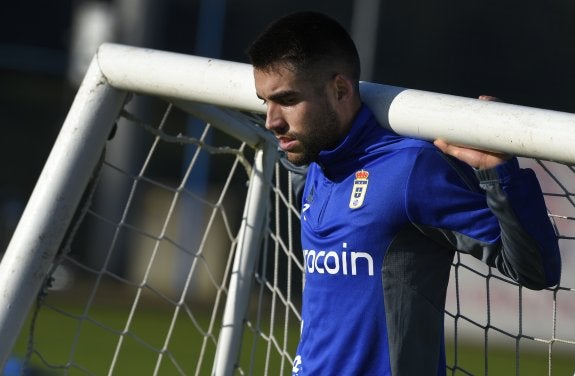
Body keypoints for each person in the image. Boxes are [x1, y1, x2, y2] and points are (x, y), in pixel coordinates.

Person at [246, 11, 561, 376]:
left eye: (286, 99)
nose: (272, 120)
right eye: (264, 101)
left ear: (340, 90)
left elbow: (536, 269)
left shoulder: (411, 170)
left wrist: (499, 172)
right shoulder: (314, 163)